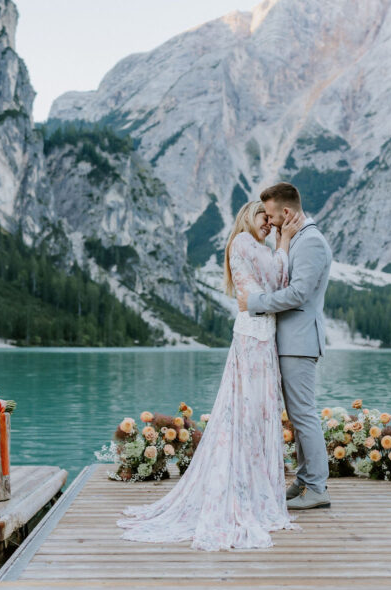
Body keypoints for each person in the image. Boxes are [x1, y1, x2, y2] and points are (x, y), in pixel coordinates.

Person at [117, 200, 304, 550]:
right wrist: (285, 241)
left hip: (259, 335)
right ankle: (244, 488)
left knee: (257, 410)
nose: (269, 223)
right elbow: (278, 276)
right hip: (254, 335)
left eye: (271, 219)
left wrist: (279, 244)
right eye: (263, 217)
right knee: (251, 409)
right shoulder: (244, 242)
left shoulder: (249, 245)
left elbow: (272, 286)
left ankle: (253, 484)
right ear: (249, 217)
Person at [237, 182, 333, 510]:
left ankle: (317, 487)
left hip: (299, 342)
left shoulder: (311, 242)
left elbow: (298, 294)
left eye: (273, 217)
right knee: (297, 414)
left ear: (287, 212)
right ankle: (305, 482)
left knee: (304, 415)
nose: (271, 223)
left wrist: (254, 302)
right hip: (289, 340)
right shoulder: (298, 238)